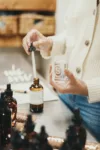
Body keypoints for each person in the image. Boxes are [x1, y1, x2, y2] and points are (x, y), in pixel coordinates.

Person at [23, 0, 100, 141]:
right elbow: (73, 34)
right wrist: (50, 43)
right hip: (66, 95)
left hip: (96, 106)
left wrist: (87, 87)